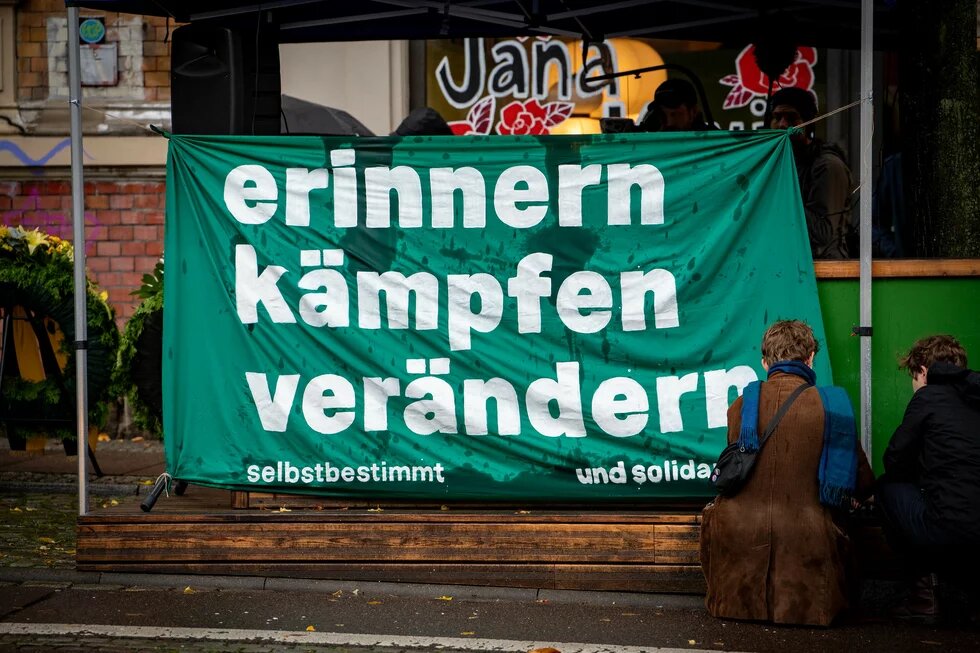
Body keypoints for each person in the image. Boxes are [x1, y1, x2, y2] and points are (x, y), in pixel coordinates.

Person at [700, 319, 874, 626]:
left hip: (736, 570)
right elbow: (861, 483)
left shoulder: (741, 405)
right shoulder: (833, 405)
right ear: (810, 359)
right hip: (809, 552)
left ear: (765, 362)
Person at [876, 335, 980, 622]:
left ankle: (923, 599)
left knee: (887, 488)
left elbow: (895, 460)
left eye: (913, 375)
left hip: (950, 531)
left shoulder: (928, 396)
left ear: (922, 371)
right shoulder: (976, 398)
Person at [769, 86, 854, 260]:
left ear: (808, 123)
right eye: (777, 117)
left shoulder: (827, 166)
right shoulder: (782, 163)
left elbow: (823, 234)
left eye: (792, 118)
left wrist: (781, 189)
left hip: (825, 272)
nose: (783, 125)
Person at [640, 78, 712, 132]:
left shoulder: (713, 143)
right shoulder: (660, 142)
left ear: (693, 111)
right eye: (662, 116)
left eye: (674, 114)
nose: (669, 123)